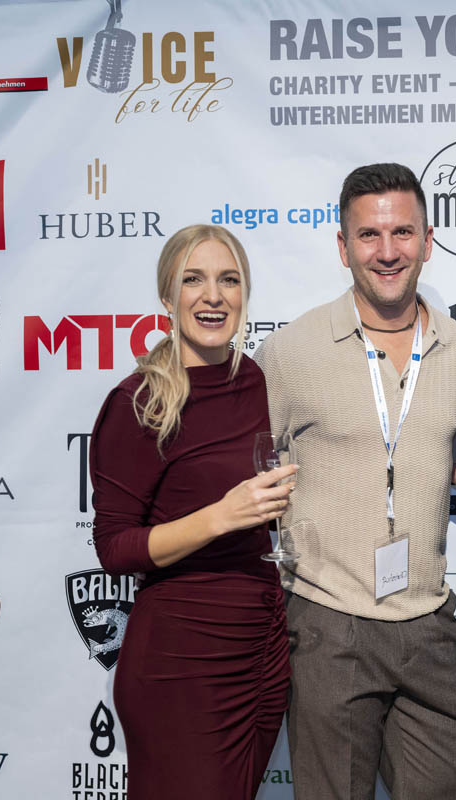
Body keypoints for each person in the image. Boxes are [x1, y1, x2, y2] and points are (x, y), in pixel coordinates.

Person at [254, 163, 456, 800]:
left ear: (428, 241)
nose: (387, 252)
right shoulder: (291, 351)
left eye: (403, 232)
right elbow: (243, 469)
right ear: (342, 246)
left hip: (430, 624)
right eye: (369, 235)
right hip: (327, 623)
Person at [89, 225, 296, 800]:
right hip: (180, 658)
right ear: (167, 297)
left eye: (229, 280)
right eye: (193, 280)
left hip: (262, 648)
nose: (213, 296)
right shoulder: (140, 401)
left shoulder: (256, 381)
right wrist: (220, 516)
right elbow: (114, 548)